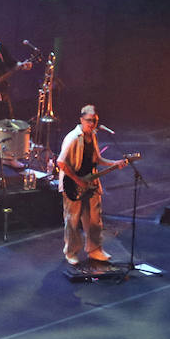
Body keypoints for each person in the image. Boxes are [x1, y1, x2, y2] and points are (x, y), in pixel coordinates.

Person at [56, 105, 125, 266]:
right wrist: (77, 179)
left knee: (94, 218)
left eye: (94, 121)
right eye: (88, 121)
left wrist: (114, 163)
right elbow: (60, 162)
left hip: (90, 181)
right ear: (81, 119)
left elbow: (97, 159)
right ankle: (71, 252)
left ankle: (95, 250)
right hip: (72, 183)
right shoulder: (73, 137)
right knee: (72, 220)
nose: (92, 124)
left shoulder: (93, 135)